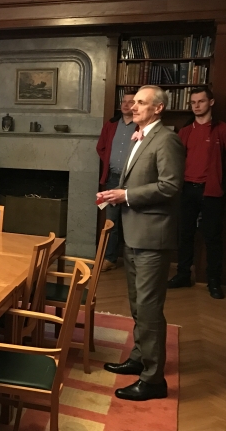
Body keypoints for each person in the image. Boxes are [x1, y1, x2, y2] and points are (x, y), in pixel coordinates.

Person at [97, 85, 184, 401]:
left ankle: (153, 380)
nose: (133, 107)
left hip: (152, 237)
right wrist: (116, 195)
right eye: (133, 102)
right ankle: (140, 357)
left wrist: (127, 195)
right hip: (134, 234)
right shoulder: (141, 137)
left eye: (141, 103)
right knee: (137, 305)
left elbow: (170, 186)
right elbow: (135, 180)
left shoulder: (167, 139)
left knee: (149, 309)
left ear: (158, 108)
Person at [168, 88, 226, 299]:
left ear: (211, 102)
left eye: (201, 101)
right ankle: (183, 274)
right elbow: (175, 160)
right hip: (187, 189)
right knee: (185, 234)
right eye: (193, 102)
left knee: (213, 237)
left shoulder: (221, 130)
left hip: (211, 191)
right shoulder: (185, 131)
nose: (196, 106)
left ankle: (213, 281)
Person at [96, 91, 137, 271]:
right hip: (113, 178)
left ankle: (134, 261)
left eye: (131, 102)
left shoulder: (141, 126)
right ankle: (110, 258)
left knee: (133, 221)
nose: (126, 105)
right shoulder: (111, 125)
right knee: (111, 221)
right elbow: (101, 147)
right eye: (124, 101)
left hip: (133, 180)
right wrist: (110, 161)